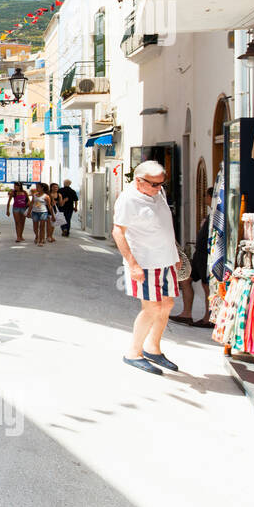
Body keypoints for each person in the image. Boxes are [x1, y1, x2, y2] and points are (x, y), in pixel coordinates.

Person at [112, 160, 182, 375]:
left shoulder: (156, 193)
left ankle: (153, 348)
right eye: (153, 184)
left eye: (162, 184)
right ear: (138, 181)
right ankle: (133, 353)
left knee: (167, 304)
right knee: (152, 308)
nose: (158, 188)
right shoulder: (128, 200)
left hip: (166, 260)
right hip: (145, 262)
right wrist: (132, 264)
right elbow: (118, 232)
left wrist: (175, 254)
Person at [173, 187, 214, 328]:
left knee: (206, 285)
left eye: (206, 196)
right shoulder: (211, 214)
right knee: (186, 279)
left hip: (206, 256)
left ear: (211, 197)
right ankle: (186, 314)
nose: (205, 199)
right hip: (199, 254)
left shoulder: (217, 214)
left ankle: (208, 318)